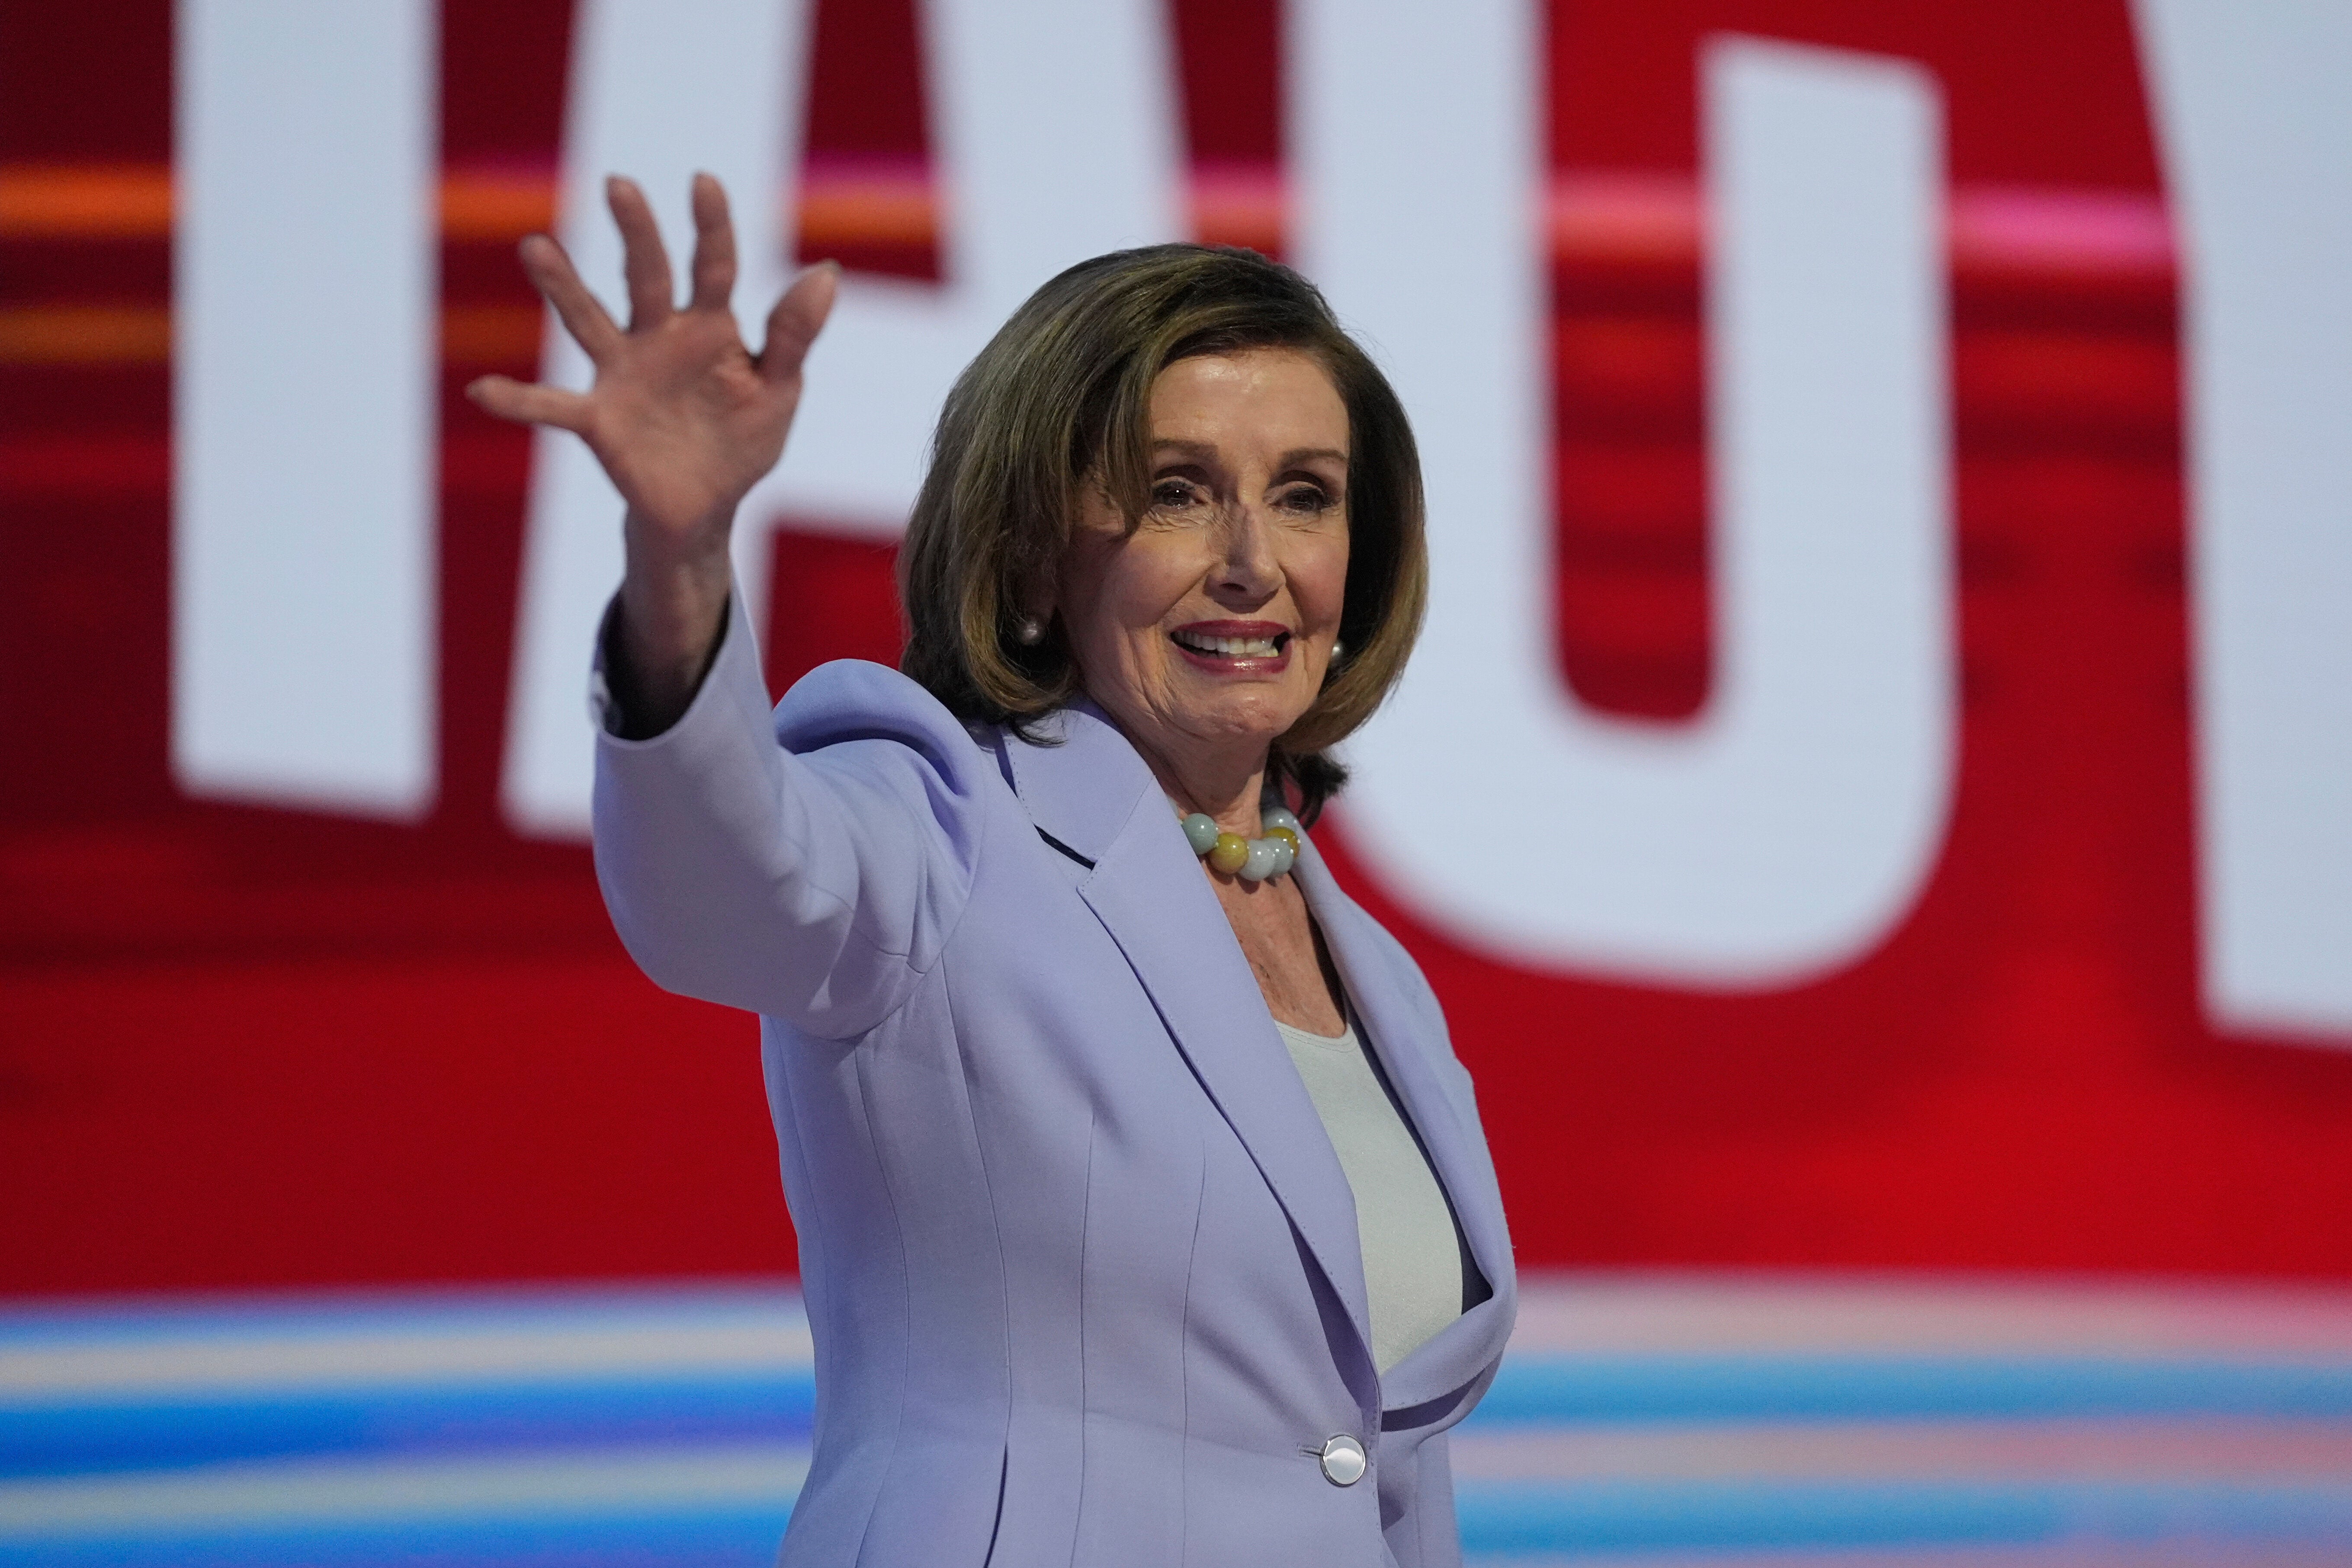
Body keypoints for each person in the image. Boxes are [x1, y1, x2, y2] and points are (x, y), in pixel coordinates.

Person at [471, 172, 1515, 1568]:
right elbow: (721, 885)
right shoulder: (937, 822)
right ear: (1030, 556)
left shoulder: (1379, 979)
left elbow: (1376, 1465)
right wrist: (681, 562)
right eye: (1176, 492)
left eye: (1305, 497)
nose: (1252, 561)